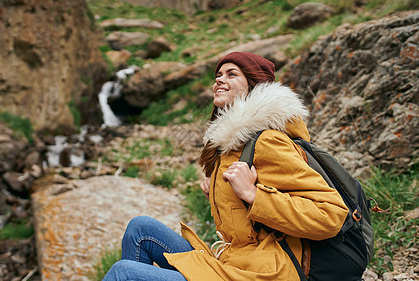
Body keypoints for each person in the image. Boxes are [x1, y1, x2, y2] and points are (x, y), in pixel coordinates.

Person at [103, 52, 349, 280]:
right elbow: (245, 229)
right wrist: (220, 196)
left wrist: (253, 195)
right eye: (218, 75)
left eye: (232, 74)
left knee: (123, 273)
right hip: (233, 261)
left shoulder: (268, 141)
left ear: (254, 86)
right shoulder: (233, 145)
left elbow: (331, 215)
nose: (220, 80)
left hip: (265, 273)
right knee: (140, 228)